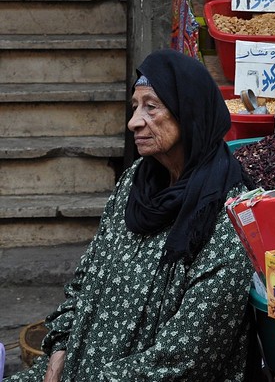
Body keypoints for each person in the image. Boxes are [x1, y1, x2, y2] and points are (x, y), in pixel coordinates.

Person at [8, 49, 256, 381]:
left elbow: (186, 356)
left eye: (151, 107)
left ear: (189, 112)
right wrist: (60, 346)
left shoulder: (229, 212)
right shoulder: (136, 181)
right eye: (135, 107)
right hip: (80, 362)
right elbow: (86, 276)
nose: (133, 121)